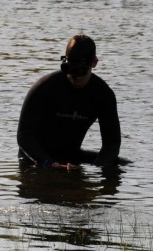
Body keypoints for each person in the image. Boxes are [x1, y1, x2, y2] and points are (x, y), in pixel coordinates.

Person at [17, 34, 122, 170]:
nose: (76, 77)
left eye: (81, 71)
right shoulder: (45, 87)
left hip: (71, 157)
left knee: (121, 165)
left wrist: (97, 168)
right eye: (71, 71)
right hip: (37, 158)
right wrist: (49, 163)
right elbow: (24, 136)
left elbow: (111, 144)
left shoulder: (103, 94)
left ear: (94, 63)